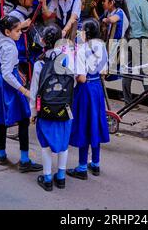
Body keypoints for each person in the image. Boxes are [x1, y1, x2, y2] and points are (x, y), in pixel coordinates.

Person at [0, 16, 43, 173]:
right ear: (7, 31)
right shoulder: (10, 48)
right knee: (24, 119)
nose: (20, 33)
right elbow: (7, 74)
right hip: (9, 85)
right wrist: (23, 90)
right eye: (17, 31)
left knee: (2, 119)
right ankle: (24, 160)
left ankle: (1, 153)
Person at [30, 24, 74, 191]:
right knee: (64, 144)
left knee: (45, 145)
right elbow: (74, 82)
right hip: (65, 109)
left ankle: (47, 178)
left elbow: (34, 91)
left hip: (45, 110)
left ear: (42, 41)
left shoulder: (40, 63)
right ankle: (61, 177)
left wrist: (33, 112)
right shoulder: (67, 58)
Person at [67, 18, 110, 180]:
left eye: (81, 31)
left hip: (85, 91)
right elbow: (104, 71)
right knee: (95, 124)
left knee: (83, 126)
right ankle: (96, 164)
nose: (79, 33)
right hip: (97, 88)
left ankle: (82, 167)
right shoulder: (102, 46)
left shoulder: (82, 50)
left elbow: (81, 78)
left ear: (86, 33)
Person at [91, 0, 129, 80]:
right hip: (110, 45)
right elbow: (99, 21)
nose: (102, 3)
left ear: (111, 2)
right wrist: (93, 9)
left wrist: (106, 20)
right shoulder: (108, 12)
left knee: (111, 73)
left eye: (104, 1)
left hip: (117, 46)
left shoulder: (119, 12)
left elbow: (112, 20)